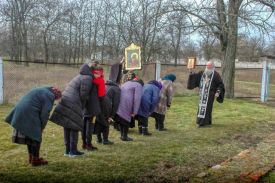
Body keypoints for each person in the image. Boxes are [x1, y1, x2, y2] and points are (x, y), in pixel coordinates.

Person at [4, 86, 62, 166]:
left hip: (21, 110)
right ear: (56, 95)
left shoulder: (43, 89)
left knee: (30, 136)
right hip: (28, 112)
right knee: (36, 136)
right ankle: (35, 160)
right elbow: (45, 114)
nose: (54, 100)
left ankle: (31, 158)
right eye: (56, 99)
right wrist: (42, 127)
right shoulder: (50, 95)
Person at [50, 63, 94, 157]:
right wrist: (82, 106)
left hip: (66, 100)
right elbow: (83, 95)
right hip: (74, 102)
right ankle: (73, 151)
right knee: (74, 126)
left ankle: (67, 150)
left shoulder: (79, 76)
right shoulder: (88, 78)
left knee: (67, 125)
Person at [187, 61, 225, 127]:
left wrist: (218, 92)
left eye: (209, 65)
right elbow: (195, 78)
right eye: (207, 65)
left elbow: (220, 84)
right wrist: (191, 72)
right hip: (202, 94)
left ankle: (206, 122)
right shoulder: (202, 73)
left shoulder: (216, 75)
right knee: (202, 107)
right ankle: (201, 123)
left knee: (208, 108)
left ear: (213, 66)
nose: (207, 67)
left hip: (210, 94)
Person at [81, 60, 101, 151]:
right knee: (89, 126)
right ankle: (88, 144)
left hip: (86, 106)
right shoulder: (90, 78)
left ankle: (84, 144)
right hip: (91, 107)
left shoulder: (85, 75)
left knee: (84, 125)